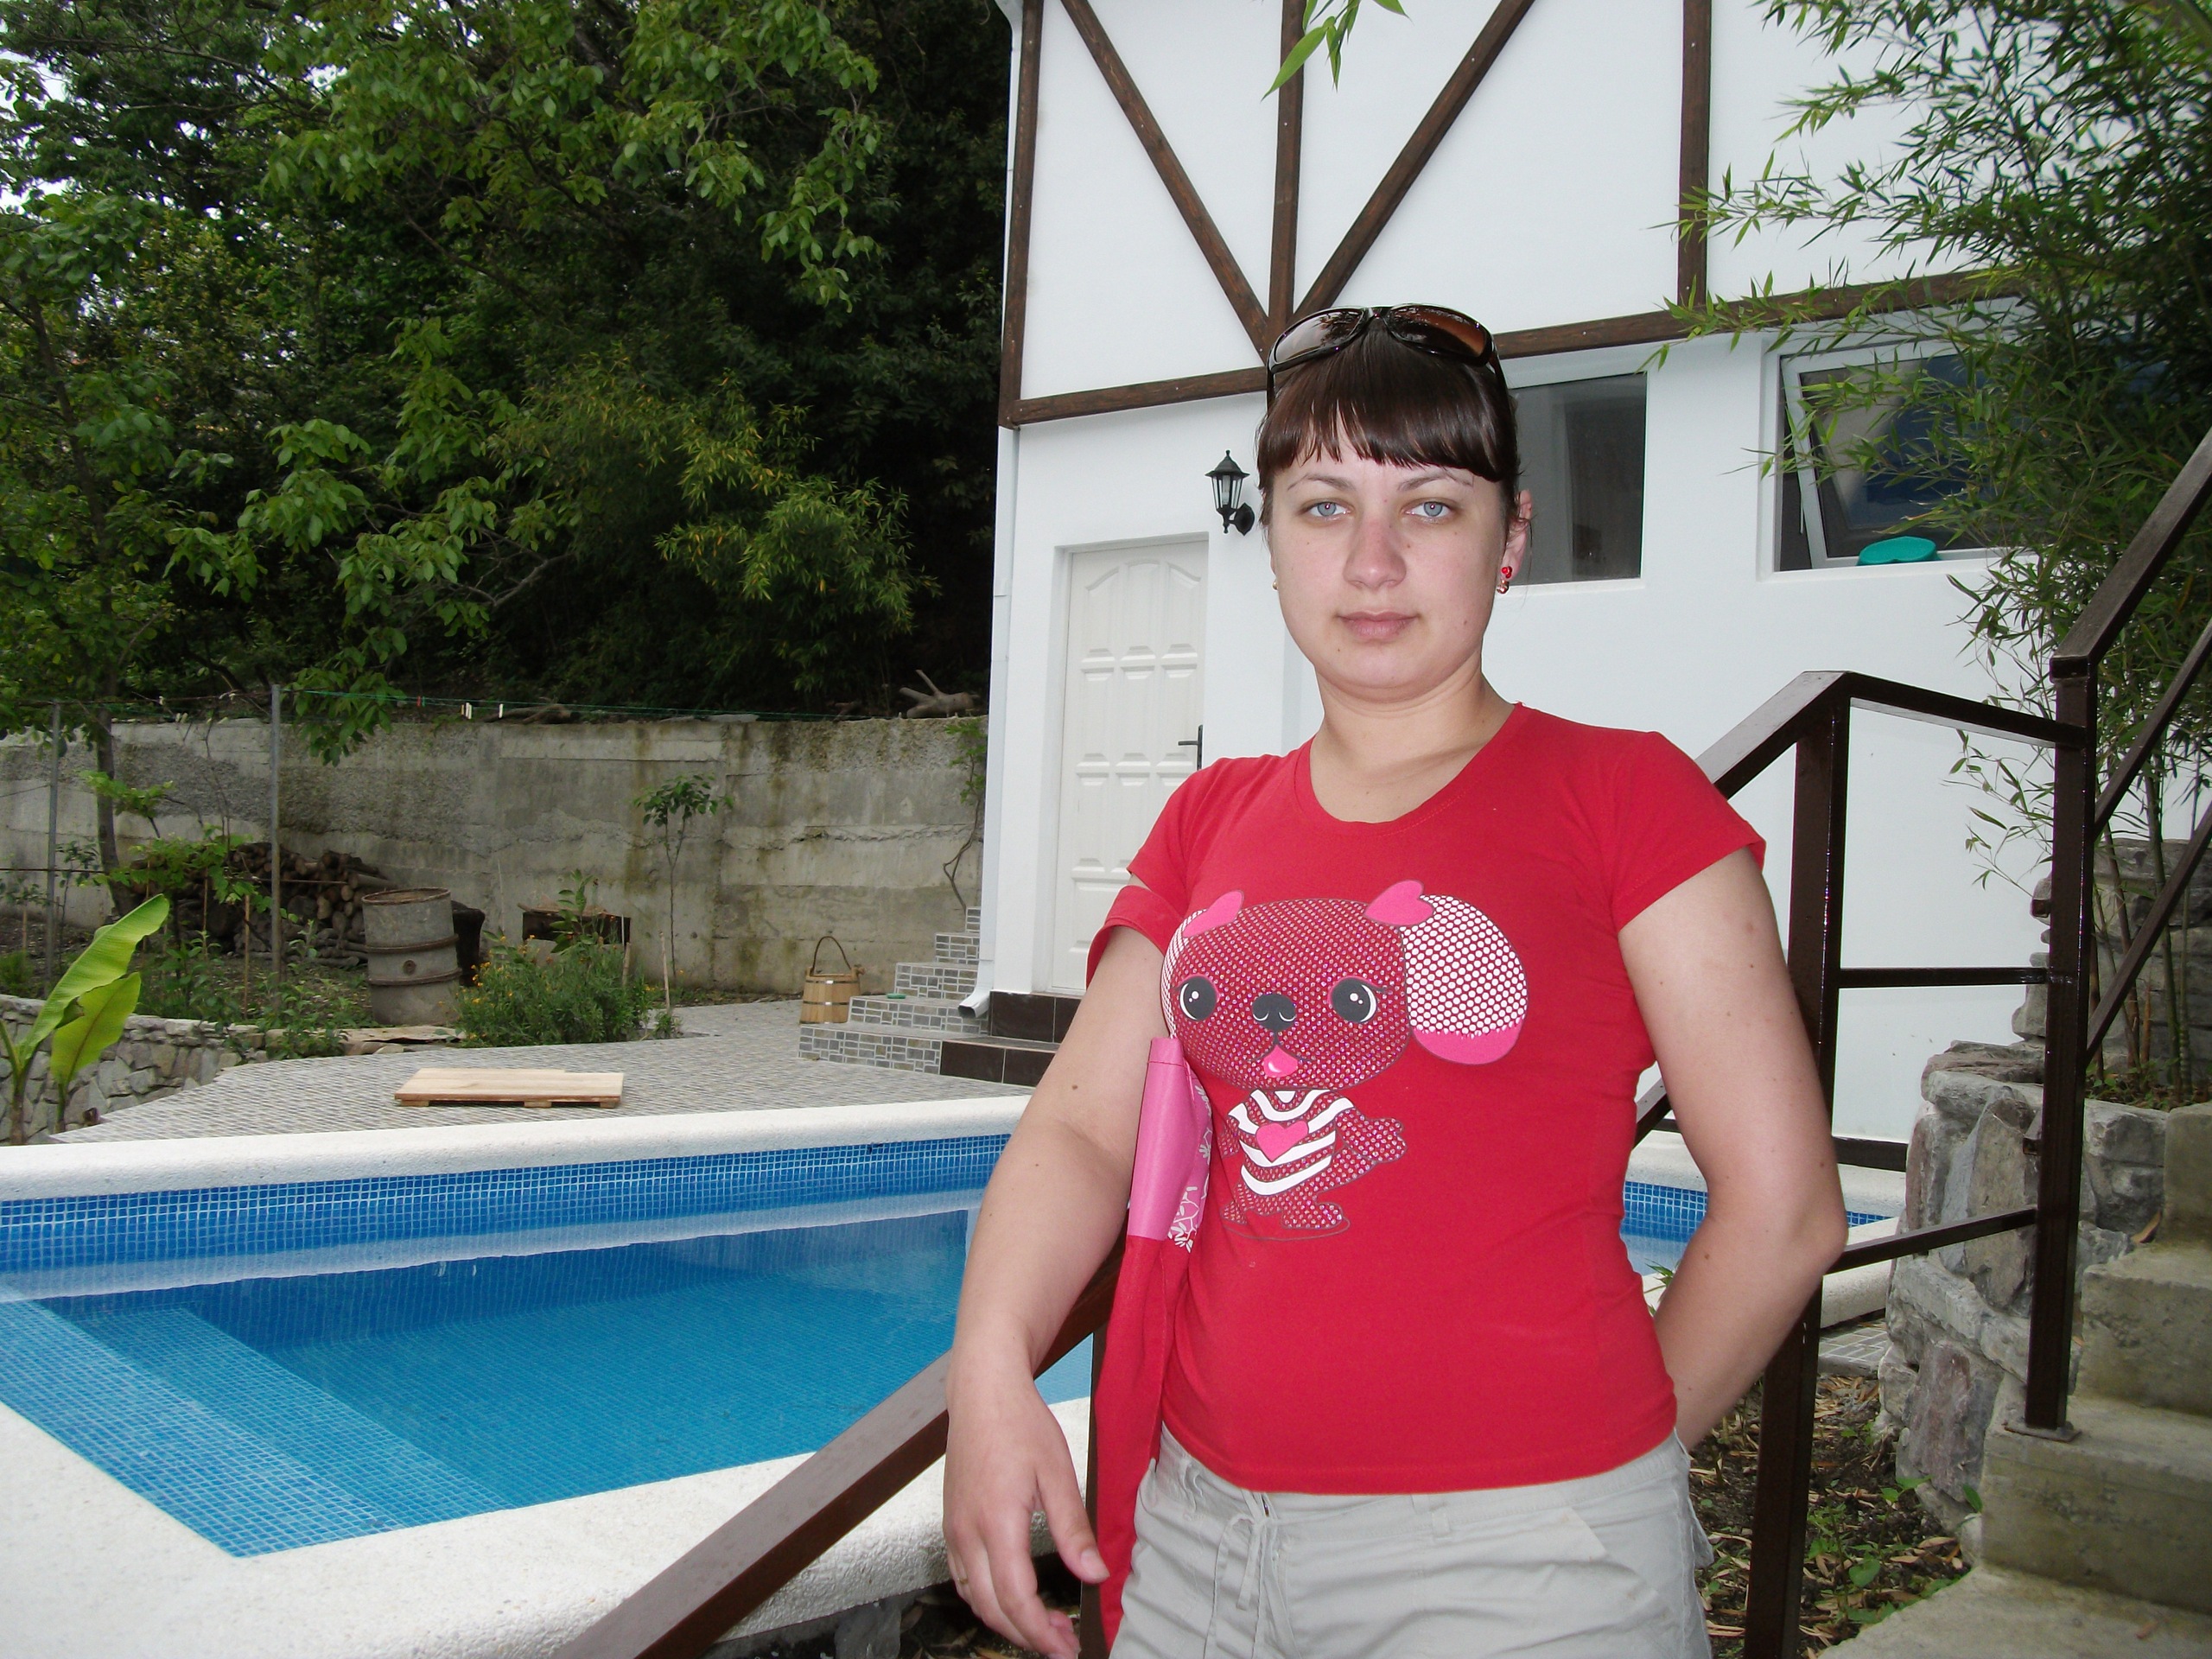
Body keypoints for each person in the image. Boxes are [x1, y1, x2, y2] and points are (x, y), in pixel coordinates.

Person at [942, 303, 1848, 1659]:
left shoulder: (1625, 801)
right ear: (1271, 538)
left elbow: (1785, 1212)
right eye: (1323, 508)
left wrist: (1596, 1469)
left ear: (1510, 538)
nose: (1372, 563)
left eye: (1430, 507)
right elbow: (1080, 1131)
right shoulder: (1208, 820)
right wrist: (990, 1367)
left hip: (1522, 1571)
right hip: (1197, 1546)